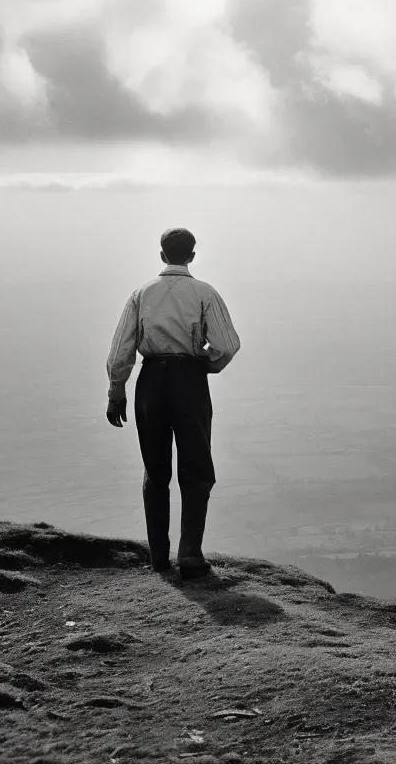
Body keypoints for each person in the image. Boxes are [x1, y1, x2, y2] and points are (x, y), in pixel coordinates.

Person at [106, 227, 240, 579]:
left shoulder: (141, 294)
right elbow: (227, 344)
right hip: (189, 382)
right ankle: (191, 555)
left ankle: (159, 559)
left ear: (162, 254)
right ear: (192, 255)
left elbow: (121, 349)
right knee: (196, 468)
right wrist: (205, 366)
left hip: (150, 383)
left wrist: (116, 391)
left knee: (155, 471)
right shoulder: (204, 293)